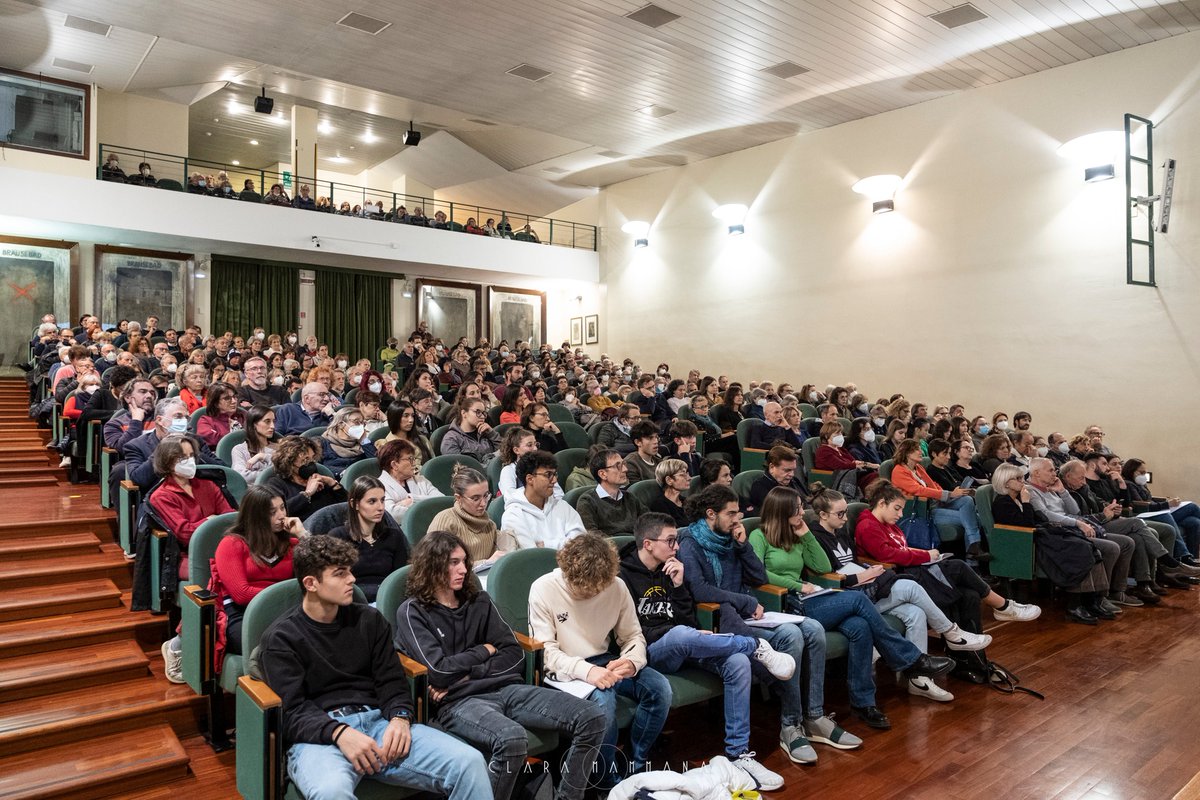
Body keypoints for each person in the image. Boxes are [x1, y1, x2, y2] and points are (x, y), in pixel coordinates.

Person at [257, 535, 490, 799]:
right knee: (331, 792)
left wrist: (401, 717)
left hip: (379, 723)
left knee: (469, 762)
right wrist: (339, 733)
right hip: (320, 738)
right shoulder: (281, 638)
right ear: (311, 583)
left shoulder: (369, 620)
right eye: (340, 574)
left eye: (350, 571)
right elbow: (292, 711)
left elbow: (391, 680)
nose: (352, 580)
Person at [395, 531, 605, 800]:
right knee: (512, 740)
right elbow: (439, 671)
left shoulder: (478, 600)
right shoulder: (413, 611)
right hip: (459, 702)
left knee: (592, 717)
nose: (463, 569)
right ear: (431, 566)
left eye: (464, 562)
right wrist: (484, 650)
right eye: (453, 563)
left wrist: (469, 673)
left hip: (505, 688)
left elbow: (514, 655)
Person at [677, 484, 862, 764]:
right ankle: (790, 725)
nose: (737, 520)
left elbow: (757, 575)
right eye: (731, 514)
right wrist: (745, 602)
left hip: (747, 612)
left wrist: (742, 546)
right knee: (791, 635)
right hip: (719, 620)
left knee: (812, 627)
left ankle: (814, 716)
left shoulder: (732, 538)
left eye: (739, 513)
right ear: (710, 514)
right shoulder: (690, 542)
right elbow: (701, 591)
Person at [749, 487, 957, 725]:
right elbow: (758, 574)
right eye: (797, 508)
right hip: (785, 605)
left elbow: (823, 564)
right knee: (858, 600)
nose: (802, 512)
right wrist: (795, 584)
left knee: (860, 626)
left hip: (809, 598)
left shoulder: (796, 534)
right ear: (782, 509)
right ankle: (911, 660)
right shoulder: (759, 536)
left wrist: (806, 534)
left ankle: (864, 703)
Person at [617, 513, 790, 790]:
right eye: (671, 541)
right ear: (648, 544)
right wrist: (685, 635)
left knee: (736, 663)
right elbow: (629, 633)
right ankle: (754, 645)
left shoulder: (674, 568)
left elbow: (687, 621)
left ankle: (738, 754)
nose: (677, 547)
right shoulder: (622, 576)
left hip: (686, 642)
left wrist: (677, 587)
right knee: (681, 635)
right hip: (650, 651)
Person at [527, 533, 671, 788]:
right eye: (585, 587)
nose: (593, 592)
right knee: (602, 703)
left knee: (659, 689)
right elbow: (546, 653)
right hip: (564, 669)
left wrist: (632, 661)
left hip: (604, 659)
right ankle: (608, 783)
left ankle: (636, 766)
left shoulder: (615, 585)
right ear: (567, 572)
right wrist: (586, 671)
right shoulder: (543, 588)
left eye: (598, 587)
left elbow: (633, 636)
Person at [855, 480, 1040, 629]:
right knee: (959, 566)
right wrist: (926, 556)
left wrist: (926, 554)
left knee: (970, 595)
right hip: (896, 577)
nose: (901, 514)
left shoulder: (889, 524)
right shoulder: (868, 526)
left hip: (911, 568)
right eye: (897, 508)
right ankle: (1003, 606)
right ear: (881, 503)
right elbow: (888, 555)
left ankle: (973, 658)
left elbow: (903, 549)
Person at [147, 434, 236, 582]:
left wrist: (211, 524)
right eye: (182, 458)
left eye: (191, 456)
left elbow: (230, 517)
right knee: (224, 572)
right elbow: (185, 534)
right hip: (188, 555)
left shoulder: (208, 485)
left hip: (222, 546)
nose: (189, 461)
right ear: (167, 461)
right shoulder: (161, 496)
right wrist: (210, 520)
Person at [890, 438, 989, 563]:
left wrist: (951, 494)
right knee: (974, 519)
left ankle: (973, 547)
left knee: (967, 500)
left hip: (936, 502)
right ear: (907, 453)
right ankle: (973, 557)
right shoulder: (898, 471)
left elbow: (932, 484)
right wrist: (948, 494)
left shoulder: (918, 467)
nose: (921, 452)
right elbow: (918, 490)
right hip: (923, 510)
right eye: (917, 449)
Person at [328, 477, 408, 602]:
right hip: (353, 601)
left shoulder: (393, 536)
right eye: (372, 501)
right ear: (355, 504)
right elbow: (335, 580)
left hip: (387, 599)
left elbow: (399, 579)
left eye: (382, 500)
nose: (380, 507)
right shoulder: (338, 537)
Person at [429, 465, 514, 564]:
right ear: (458, 498)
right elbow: (438, 564)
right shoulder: (445, 521)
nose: (483, 503)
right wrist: (486, 562)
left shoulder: (489, 525)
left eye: (486, 496)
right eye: (475, 498)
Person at [500, 450, 584, 549]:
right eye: (548, 475)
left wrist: (546, 545)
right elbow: (531, 556)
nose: (554, 480)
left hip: (572, 563)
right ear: (530, 479)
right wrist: (564, 544)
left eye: (555, 474)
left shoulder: (562, 506)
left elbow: (581, 544)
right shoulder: (513, 515)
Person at [1123, 457, 1200, 562]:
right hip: (1147, 514)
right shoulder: (1129, 484)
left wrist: (1168, 502)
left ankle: (1192, 558)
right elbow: (1142, 504)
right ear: (1132, 471)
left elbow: (1149, 499)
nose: (1144, 475)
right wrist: (1167, 504)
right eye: (1141, 472)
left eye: (1145, 472)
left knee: (1194, 522)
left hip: (1156, 511)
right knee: (1193, 507)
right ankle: (1183, 555)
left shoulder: (1141, 484)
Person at [265, 435, 346, 520]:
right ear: (290, 463)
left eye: (312, 458)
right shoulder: (277, 484)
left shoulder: (317, 478)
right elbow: (280, 512)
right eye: (305, 459)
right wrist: (307, 494)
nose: (311, 463)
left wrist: (332, 483)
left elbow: (345, 505)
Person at [576, 447, 647, 537]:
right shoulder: (587, 501)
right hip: (609, 549)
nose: (625, 469)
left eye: (623, 464)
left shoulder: (630, 497)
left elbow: (649, 522)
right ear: (603, 474)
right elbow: (592, 535)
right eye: (618, 466)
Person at [376, 439, 442, 525]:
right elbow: (392, 514)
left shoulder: (420, 479)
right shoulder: (378, 486)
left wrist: (412, 500)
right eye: (410, 459)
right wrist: (427, 506)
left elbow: (440, 500)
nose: (414, 463)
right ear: (394, 465)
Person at [746, 445, 809, 514]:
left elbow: (808, 501)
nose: (792, 474)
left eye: (793, 470)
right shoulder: (759, 487)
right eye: (787, 470)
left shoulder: (794, 481)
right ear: (772, 467)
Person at [320, 407, 377, 478]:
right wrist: (345, 473)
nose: (361, 426)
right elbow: (319, 468)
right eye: (356, 422)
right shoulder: (322, 443)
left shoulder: (363, 442)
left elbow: (375, 463)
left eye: (363, 423)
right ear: (341, 424)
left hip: (363, 481)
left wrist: (364, 440)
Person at [441, 399, 500, 465]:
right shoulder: (451, 439)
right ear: (464, 413)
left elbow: (505, 453)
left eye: (484, 413)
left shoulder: (486, 432)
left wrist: (492, 434)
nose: (482, 416)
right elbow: (460, 467)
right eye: (478, 412)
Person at [231, 405, 276, 483]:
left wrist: (263, 456)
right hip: (253, 493)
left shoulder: (278, 448)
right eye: (267, 421)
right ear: (254, 424)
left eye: (273, 421)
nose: (273, 426)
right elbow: (242, 477)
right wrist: (268, 474)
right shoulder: (239, 450)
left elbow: (283, 472)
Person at [196, 383, 242, 448]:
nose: (234, 401)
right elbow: (213, 440)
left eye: (234, 397)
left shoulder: (243, 415)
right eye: (227, 398)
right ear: (215, 403)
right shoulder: (206, 421)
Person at [648, 458, 691, 527]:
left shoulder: (687, 501)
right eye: (682, 475)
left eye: (687, 474)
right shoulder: (659, 506)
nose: (689, 478)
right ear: (669, 480)